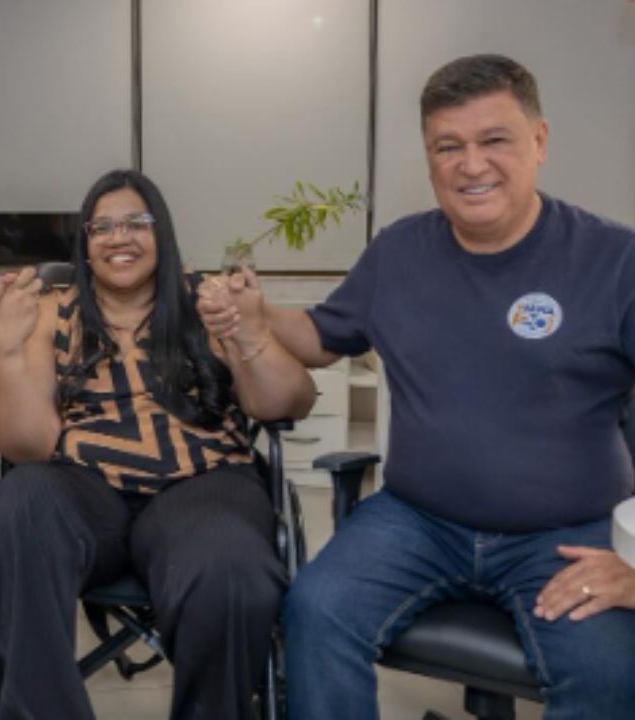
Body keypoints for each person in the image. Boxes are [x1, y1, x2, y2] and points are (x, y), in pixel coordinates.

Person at [270, 54, 635, 718]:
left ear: (540, 141)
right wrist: (249, 311)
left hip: (566, 536)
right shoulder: (399, 252)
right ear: (429, 156)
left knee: (612, 670)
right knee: (315, 610)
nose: (471, 164)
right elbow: (320, 338)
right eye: (449, 146)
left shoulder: (615, 260)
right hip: (416, 521)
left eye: (494, 139)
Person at [0, 168, 316, 719]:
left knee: (229, 566)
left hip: (203, 484)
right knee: (18, 510)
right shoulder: (48, 311)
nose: (119, 237)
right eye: (101, 226)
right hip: (83, 489)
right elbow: (27, 445)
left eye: (137, 222)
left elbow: (292, 400)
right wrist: (6, 355)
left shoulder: (206, 302)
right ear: (84, 243)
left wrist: (247, 333)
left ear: (163, 233)